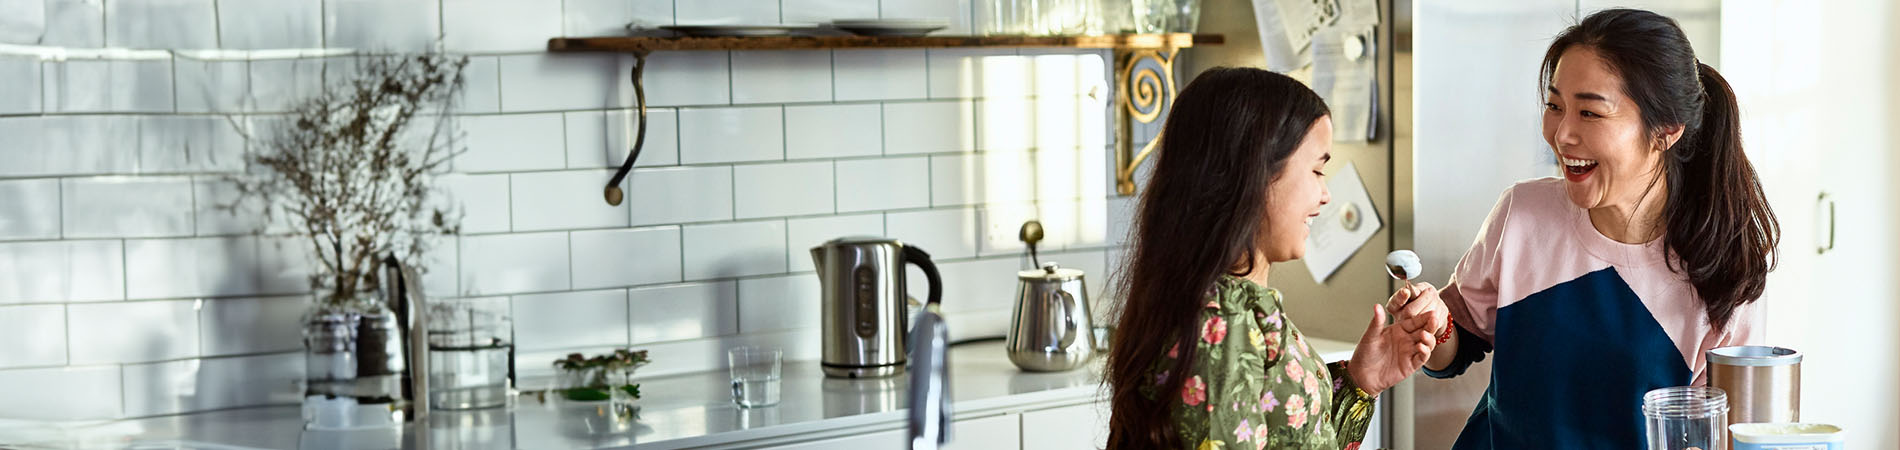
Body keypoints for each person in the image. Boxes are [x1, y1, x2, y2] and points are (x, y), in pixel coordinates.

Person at [1393, 8, 1782, 449]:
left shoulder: (1724, 269)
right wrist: (1432, 326)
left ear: (1666, 131)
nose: (1562, 135)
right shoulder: (1523, 213)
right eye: (1555, 107)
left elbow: (1716, 437)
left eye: (1591, 113)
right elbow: (1457, 345)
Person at [1104, 67, 1442, 450]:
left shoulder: (1239, 309)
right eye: (1316, 169)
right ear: (1253, 174)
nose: (1326, 194)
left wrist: (1363, 380)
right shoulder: (1220, 329)